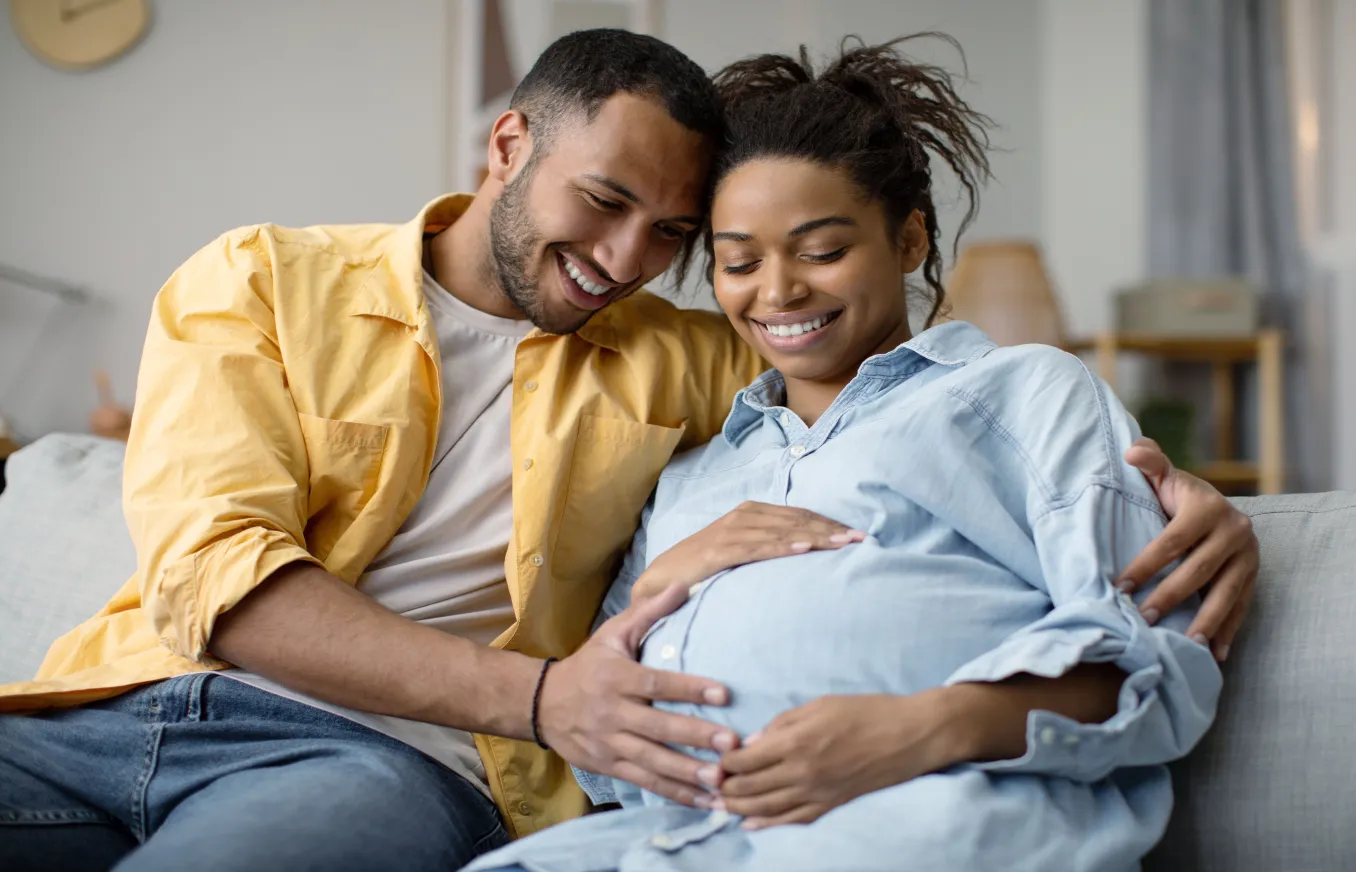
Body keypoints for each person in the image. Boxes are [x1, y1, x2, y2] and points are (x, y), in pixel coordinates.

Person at [0, 29, 1255, 872]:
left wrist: (1194, 492)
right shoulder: (263, 278)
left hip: (386, 760)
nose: (623, 261)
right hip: (116, 704)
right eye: (603, 204)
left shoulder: (688, 356)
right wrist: (569, 673)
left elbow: (881, 390)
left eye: (669, 235)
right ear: (509, 147)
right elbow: (212, 575)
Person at [468, 34, 1222, 872]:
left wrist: (915, 729)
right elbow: (597, 739)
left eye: (823, 252)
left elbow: (1153, 660)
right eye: (738, 262)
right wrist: (657, 584)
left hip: (925, 817)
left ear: (908, 243)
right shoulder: (693, 472)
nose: (779, 290)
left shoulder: (1019, 394)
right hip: (685, 840)